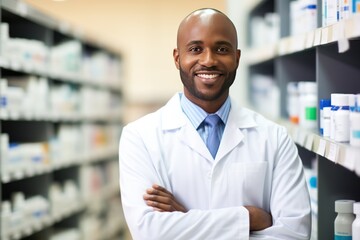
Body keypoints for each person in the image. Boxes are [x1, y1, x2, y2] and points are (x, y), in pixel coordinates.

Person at [119, 8, 311, 240]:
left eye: (221, 49)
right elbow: (150, 231)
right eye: (195, 49)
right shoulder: (140, 136)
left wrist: (185, 218)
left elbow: (294, 234)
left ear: (237, 58)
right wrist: (250, 217)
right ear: (177, 58)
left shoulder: (275, 137)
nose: (209, 60)